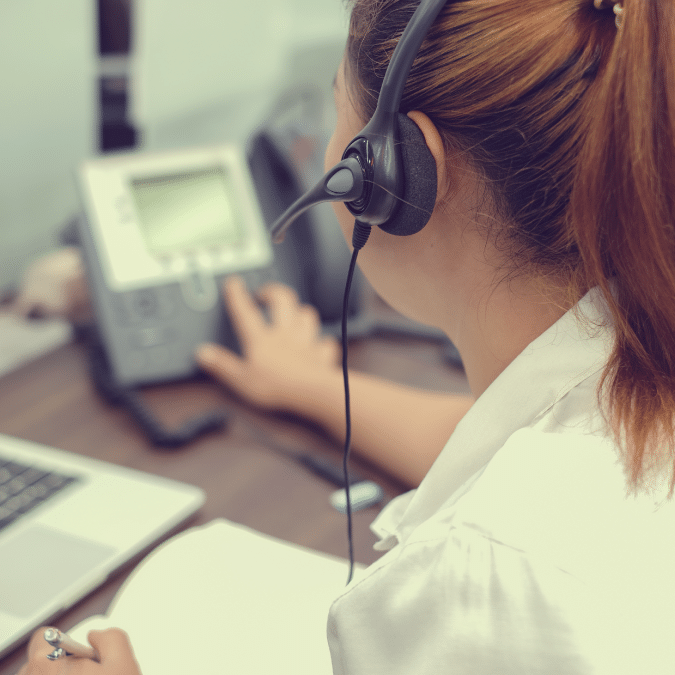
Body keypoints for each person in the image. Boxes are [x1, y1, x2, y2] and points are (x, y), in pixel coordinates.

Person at [18, 0, 675, 672]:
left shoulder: (490, 583)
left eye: (338, 107)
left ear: (399, 171)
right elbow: (502, 438)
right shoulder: (627, 374)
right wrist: (308, 386)